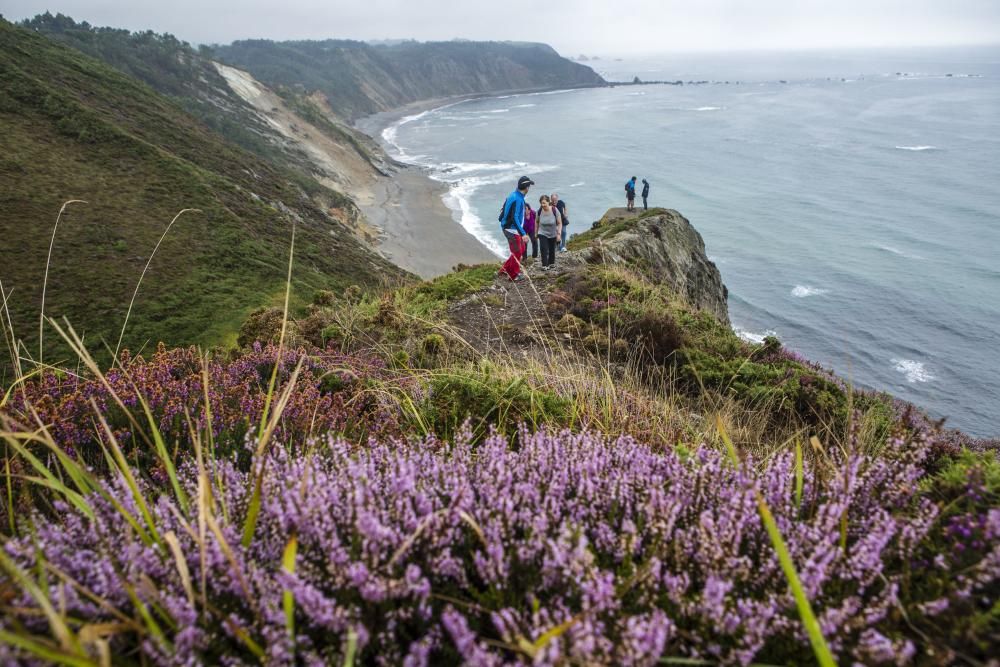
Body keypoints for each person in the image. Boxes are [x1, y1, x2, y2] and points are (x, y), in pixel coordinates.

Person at [498, 176, 532, 281]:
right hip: (511, 229)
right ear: (526, 187)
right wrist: (523, 234)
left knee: (521, 249)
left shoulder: (514, 195)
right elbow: (515, 218)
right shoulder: (517, 198)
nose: (529, 188)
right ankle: (513, 275)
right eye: (529, 186)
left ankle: (504, 269)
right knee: (517, 251)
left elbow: (504, 209)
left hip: (509, 228)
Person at [536, 195, 562, 271]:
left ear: (548, 202)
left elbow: (560, 223)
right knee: (543, 248)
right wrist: (536, 232)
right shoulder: (539, 211)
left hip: (553, 232)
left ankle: (551, 263)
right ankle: (544, 265)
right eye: (541, 203)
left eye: (544, 203)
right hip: (542, 232)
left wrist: (559, 234)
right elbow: (536, 222)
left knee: (552, 249)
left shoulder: (555, 210)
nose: (542, 205)